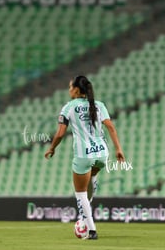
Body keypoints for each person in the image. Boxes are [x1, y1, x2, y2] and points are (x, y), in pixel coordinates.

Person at [44, 75, 125, 240]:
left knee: (80, 194)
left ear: (75, 89)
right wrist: (118, 149)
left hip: (84, 154)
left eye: (69, 87)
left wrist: (52, 148)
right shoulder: (98, 105)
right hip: (102, 153)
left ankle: (91, 229)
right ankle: (84, 216)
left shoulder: (69, 107)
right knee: (91, 178)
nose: (69, 91)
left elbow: (60, 133)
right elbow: (110, 126)